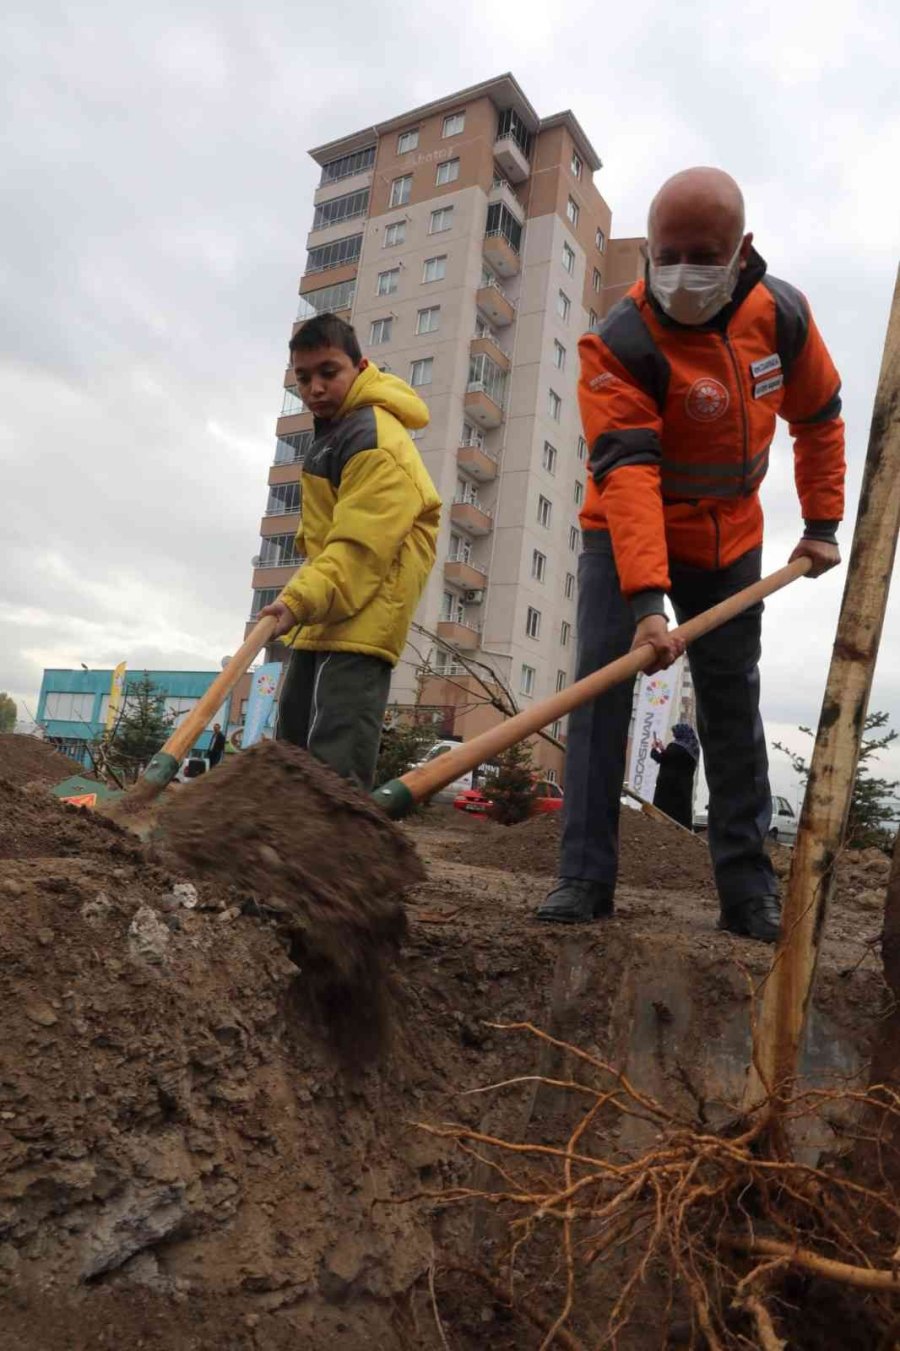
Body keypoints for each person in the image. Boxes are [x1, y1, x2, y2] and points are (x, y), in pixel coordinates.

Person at [536, 167, 845, 942]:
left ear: (741, 250)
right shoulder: (621, 341)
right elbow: (629, 474)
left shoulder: (784, 319)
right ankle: (583, 876)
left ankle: (748, 891)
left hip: (730, 537)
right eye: (666, 251)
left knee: (732, 701)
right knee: (601, 686)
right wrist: (646, 604)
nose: (680, 270)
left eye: (701, 253)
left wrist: (822, 522)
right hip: (624, 530)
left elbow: (821, 417)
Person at [259, 313, 441, 790]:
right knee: (292, 735)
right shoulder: (334, 434)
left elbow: (360, 549)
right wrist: (303, 601)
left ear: (360, 368)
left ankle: (334, 852)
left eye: (328, 372)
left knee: (337, 747)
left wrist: (296, 601)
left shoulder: (374, 440)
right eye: (303, 378)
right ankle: (282, 845)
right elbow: (325, 542)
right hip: (330, 601)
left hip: (367, 604)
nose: (315, 387)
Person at [650, 722, 699, 830]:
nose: (673, 736)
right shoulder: (692, 748)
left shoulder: (675, 746)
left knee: (665, 813)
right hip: (683, 789)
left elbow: (661, 759)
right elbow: (672, 760)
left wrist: (654, 749)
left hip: (668, 789)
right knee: (681, 814)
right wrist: (663, 749)